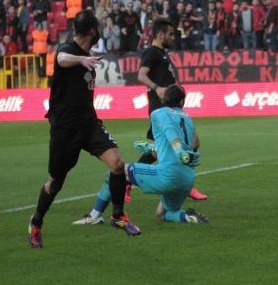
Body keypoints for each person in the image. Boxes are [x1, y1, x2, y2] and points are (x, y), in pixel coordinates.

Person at [28, 10, 140, 249]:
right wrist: (80, 60)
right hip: (65, 128)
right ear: (92, 31)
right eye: (97, 29)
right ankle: (36, 222)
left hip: (89, 123)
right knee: (56, 181)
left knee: (117, 164)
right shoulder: (68, 50)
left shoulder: (85, 54)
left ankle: (117, 216)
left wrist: (84, 59)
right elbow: (61, 59)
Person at [85, 85, 209, 225]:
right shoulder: (187, 118)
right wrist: (154, 147)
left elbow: (170, 133)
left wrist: (179, 150)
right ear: (181, 101)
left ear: (165, 98)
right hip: (187, 178)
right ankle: (188, 217)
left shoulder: (158, 113)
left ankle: (95, 215)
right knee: (162, 214)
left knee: (116, 172)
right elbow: (195, 142)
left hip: (168, 175)